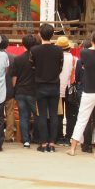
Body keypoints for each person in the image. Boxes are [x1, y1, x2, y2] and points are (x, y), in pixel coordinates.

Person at [67, 31, 95, 156]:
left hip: (88, 91)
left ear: (91, 40)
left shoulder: (84, 53)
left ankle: (72, 148)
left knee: (82, 120)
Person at [30, 24, 64, 153]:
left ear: (40, 34)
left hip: (40, 85)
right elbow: (60, 67)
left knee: (42, 115)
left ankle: (43, 144)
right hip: (54, 85)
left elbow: (32, 66)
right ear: (52, 34)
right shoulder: (59, 50)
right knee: (54, 115)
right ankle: (52, 144)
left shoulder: (35, 50)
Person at [12, 34, 37, 148]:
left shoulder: (18, 59)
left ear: (23, 44)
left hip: (20, 91)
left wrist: (14, 89)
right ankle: (37, 137)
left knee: (23, 116)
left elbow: (14, 77)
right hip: (33, 91)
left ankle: (26, 140)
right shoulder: (37, 59)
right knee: (37, 115)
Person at [55, 36, 76, 146]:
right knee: (70, 115)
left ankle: (58, 136)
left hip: (57, 88)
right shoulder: (74, 59)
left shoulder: (56, 58)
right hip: (70, 89)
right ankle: (68, 137)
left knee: (58, 114)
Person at [0, 35, 16, 142]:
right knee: (10, 113)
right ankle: (9, 136)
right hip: (9, 87)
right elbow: (15, 75)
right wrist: (13, 86)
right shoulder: (12, 57)